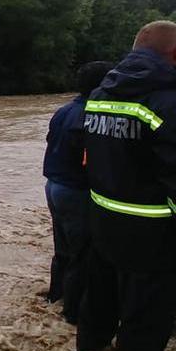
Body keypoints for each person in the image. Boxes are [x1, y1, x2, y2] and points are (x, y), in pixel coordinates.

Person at [77, 20, 176, 351]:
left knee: (102, 299)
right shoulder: (172, 103)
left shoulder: (101, 93)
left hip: (103, 224)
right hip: (154, 238)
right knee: (146, 321)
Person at [42, 61, 114, 324]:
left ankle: (54, 297)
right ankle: (71, 315)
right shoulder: (91, 116)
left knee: (62, 249)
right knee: (82, 255)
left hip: (54, 185)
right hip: (75, 191)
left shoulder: (64, 111)